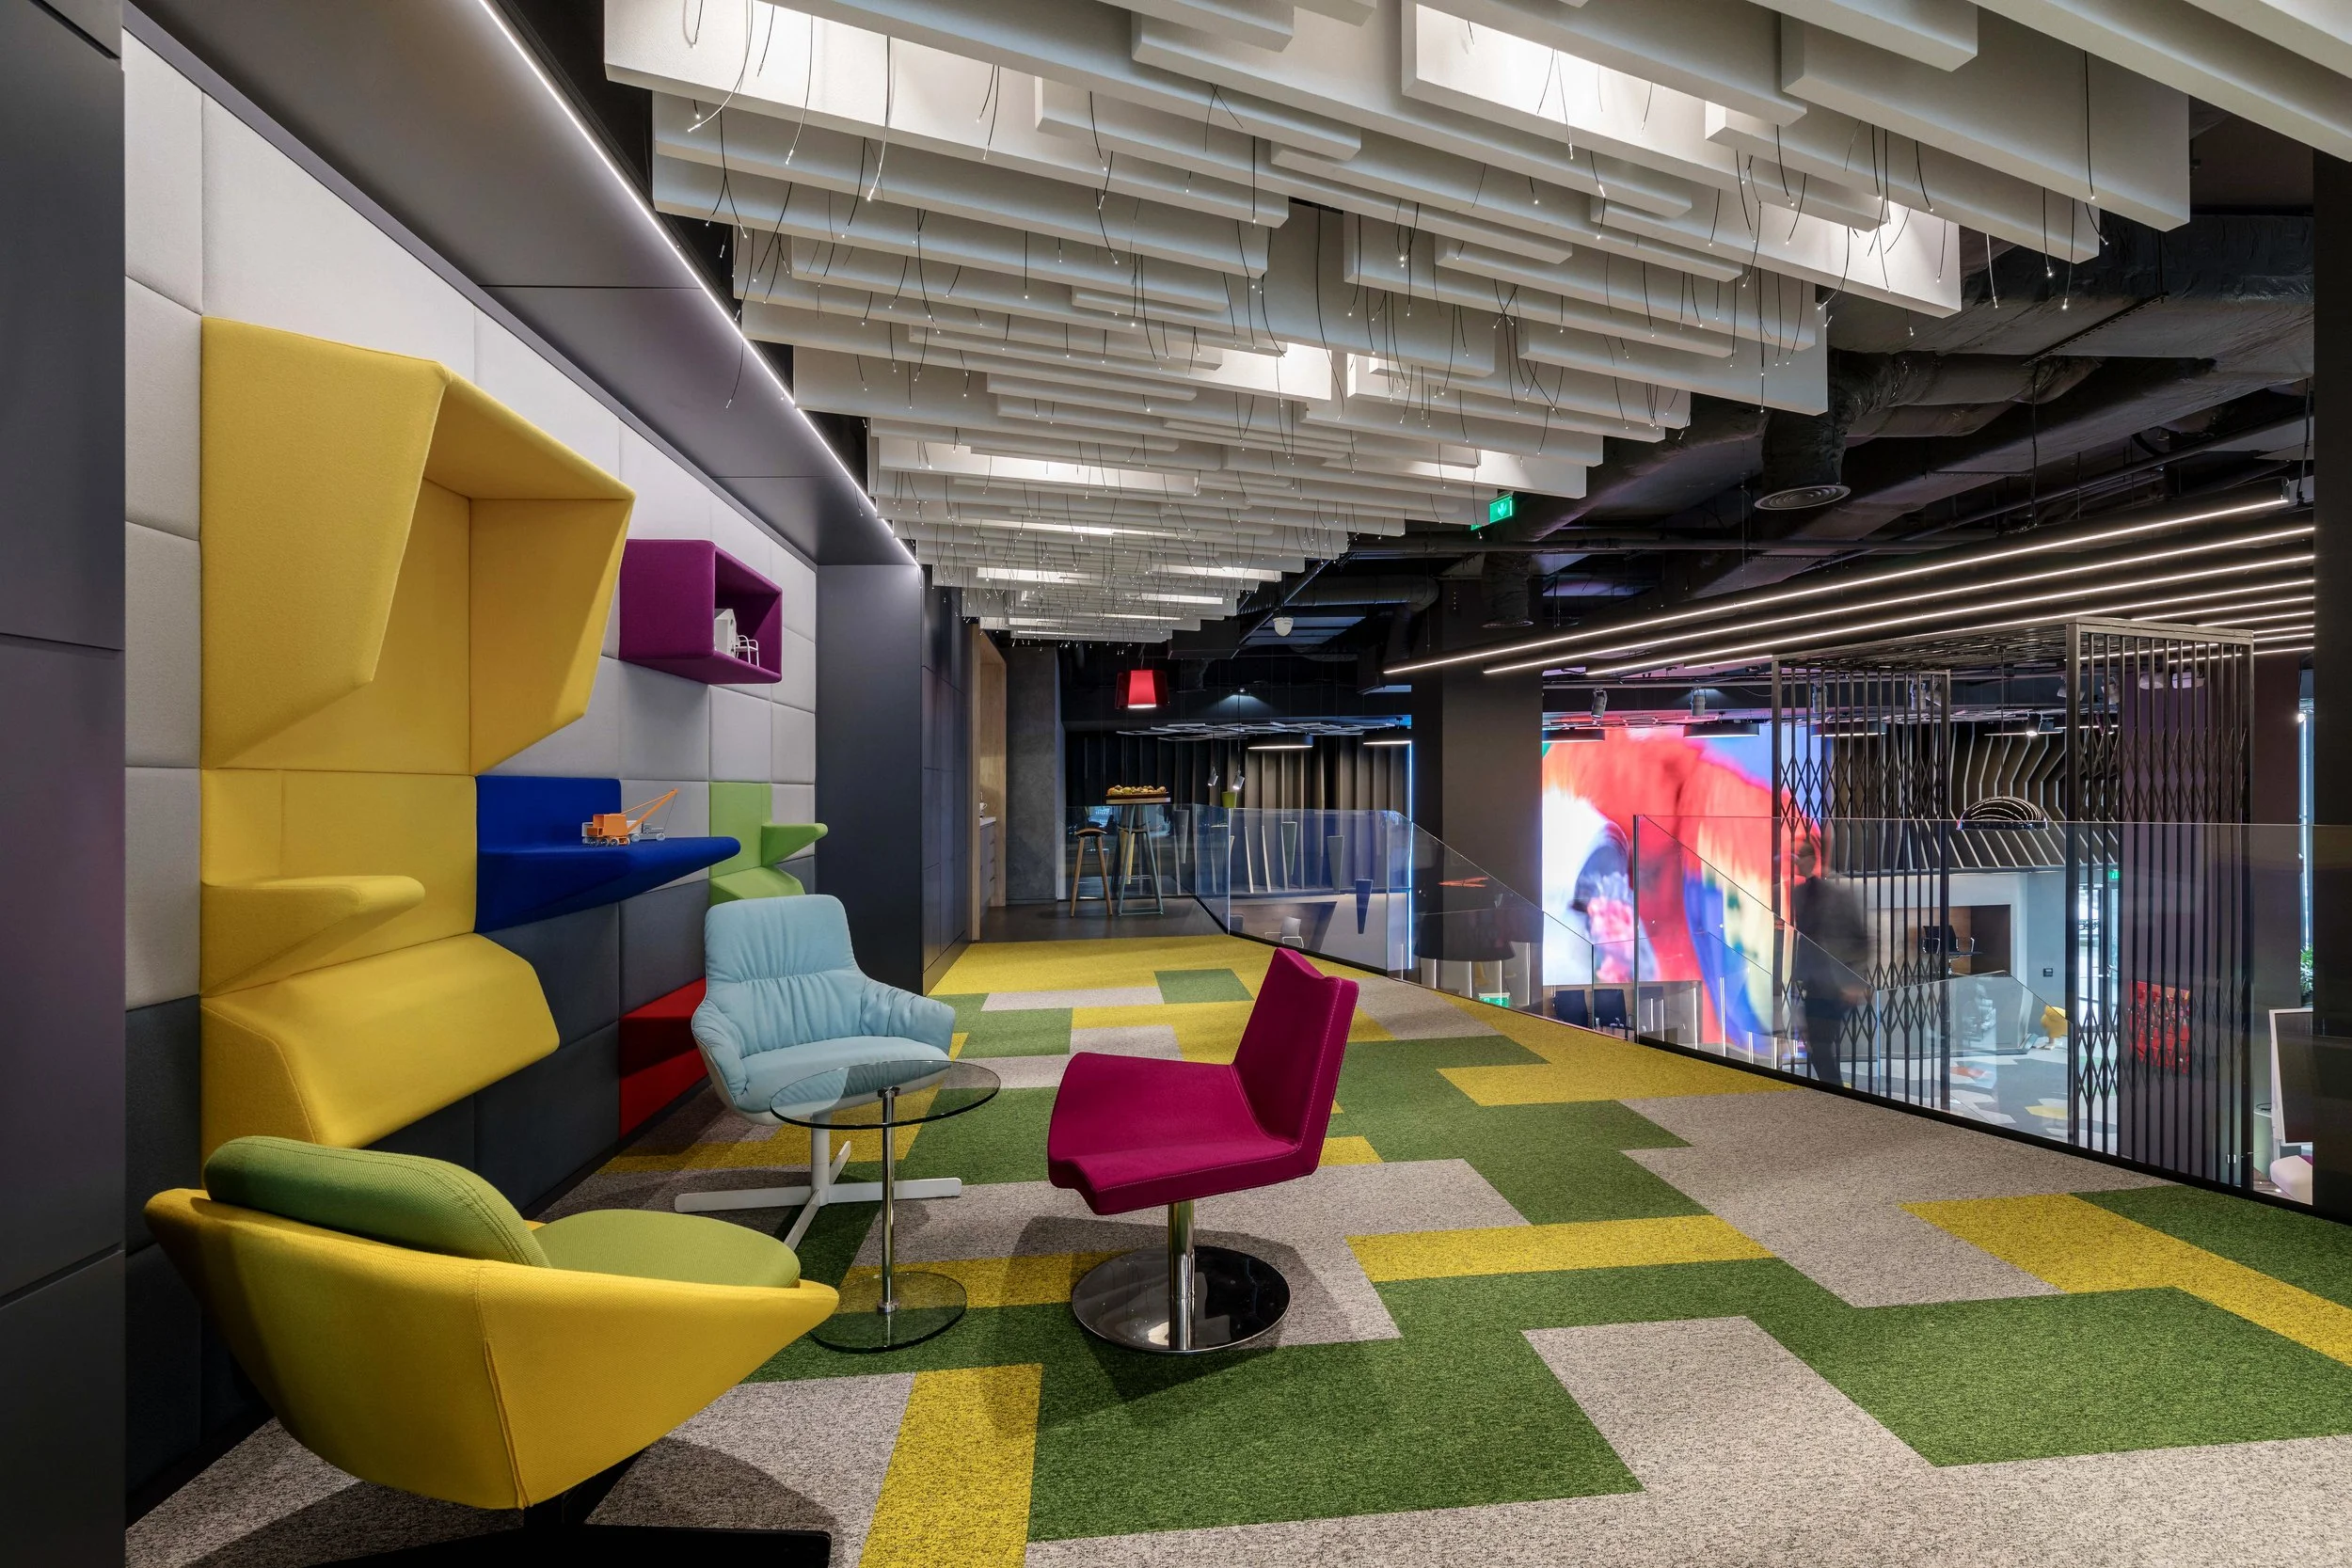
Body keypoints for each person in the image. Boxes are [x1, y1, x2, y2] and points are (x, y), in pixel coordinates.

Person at [1789, 842, 1870, 1085]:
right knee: (1817, 1046)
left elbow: (1861, 938)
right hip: (1814, 983)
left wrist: (1854, 983)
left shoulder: (1839, 894)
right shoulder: (1798, 894)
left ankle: (1836, 1096)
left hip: (1837, 985)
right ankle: (1835, 1095)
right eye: (1795, 856)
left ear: (1813, 858)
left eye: (1802, 855)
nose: (1797, 861)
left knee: (1821, 1045)